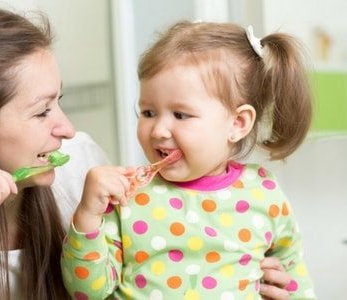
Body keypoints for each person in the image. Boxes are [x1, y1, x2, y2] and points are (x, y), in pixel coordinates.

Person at [0, 4, 294, 299]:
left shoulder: (80, 168)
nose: (67, 129)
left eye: (59, 100)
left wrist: (261, 279)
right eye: (42, 112)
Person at [61, 21, 315, 299]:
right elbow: (86, 292)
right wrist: (87, 214)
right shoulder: (127, 193)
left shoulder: (264, 192)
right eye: (147, 112)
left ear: (238, 123)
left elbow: (294, 277)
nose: (158, 130)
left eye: (181, 115)